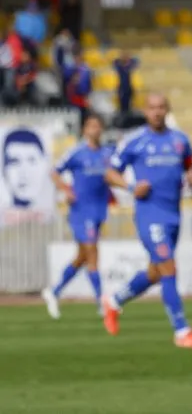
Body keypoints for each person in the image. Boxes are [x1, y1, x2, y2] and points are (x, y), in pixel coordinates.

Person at [102, 93, 192, 349]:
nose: (157, 112)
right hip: (150, 215)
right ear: (146, 111)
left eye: (161, 108)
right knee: (169, 268)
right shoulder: (134, 141)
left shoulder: (180, 140)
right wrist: (130, 186)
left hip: (174, 214)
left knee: (155, 273)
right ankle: (182, 332)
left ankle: (114, 300)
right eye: (152, 108)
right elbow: (109, 172)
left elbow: (189, 164)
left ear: (167, 110)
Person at [42, 114, 112, 318]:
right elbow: (54, 171)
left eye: (98, 126)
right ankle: (101, 301)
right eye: (91, 126)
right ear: (84, 130)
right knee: (92, 253)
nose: (95, 130)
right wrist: (66, 189)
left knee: (82, 256)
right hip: (81, 210)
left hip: (99, 209)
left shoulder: (107, 153)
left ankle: (53, 292)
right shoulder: (77, 153)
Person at [112, 50, 139, 117]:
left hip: (129, 87)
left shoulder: (129, 66)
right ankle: (122, 116)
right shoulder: (119, 66)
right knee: (122, 103)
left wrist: (129, 59)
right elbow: (114, 62)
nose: (125, 58)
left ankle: (128, 116)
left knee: (129, 103)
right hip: (121, 87)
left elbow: (136, 62)